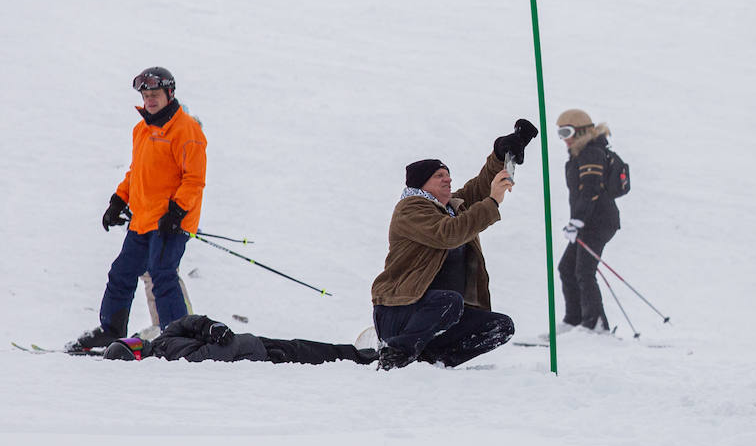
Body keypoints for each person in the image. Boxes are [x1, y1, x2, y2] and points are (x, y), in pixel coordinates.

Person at [369, 119, 536, 370]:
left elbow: (479, 187)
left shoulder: (451, 207)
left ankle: (430, 362)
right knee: (450, 300)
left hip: (441, 312)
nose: (447, 180)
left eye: (448, 175)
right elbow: (449, 234)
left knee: (500, 326)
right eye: (439, 176)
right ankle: (396, 353)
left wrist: (501, 153)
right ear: (420, 184)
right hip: (400, 310)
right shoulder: (410, 209)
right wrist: (493, 201)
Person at [66, 67, 207, 352]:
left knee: (162, 274)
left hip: (171, 221)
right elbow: (136, 172)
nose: (149, 100)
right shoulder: (141, 129)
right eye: (145, 95)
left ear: (170, 94)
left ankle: (177, 336)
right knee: (122, 272)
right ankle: (111, 331)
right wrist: (118, 200)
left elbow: (194, 180)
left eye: (154, 94)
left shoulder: (187, 130)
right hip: (143, 219)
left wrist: (177, 211)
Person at [551, 109, 621, 336]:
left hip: (598, 222)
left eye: (566, 131)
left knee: (583, 270)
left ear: (580, 131)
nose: (563, 138)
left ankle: (595, 325)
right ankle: (574, 321)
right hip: (589, 222)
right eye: (559, 132)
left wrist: (577, 221)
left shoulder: (591, 153)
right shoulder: (581, 153)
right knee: (567, 268)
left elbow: (590, 189)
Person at [102, 314, 377, 365]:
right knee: (311, 355)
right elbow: (212, 358)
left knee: (305, 346)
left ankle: (358, 354)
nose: (139, 343)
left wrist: (213, 328)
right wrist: (217, 342)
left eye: (133, 340)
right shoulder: (171, 362)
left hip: (252, 343)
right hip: (257, 354)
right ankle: (363, 357)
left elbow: (189, 322)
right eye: (134, 348)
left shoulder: (164, 340)